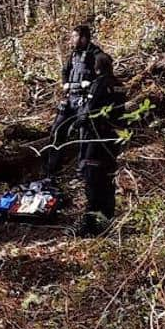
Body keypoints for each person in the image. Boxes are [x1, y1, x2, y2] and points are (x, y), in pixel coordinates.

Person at [72, 52, 124, 237]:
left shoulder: (99, 84)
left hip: (96, 139)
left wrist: (77, 122)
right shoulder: (119, 85)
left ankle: (91, 224)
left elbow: (89, 111)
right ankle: (108, 218)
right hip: (113, 141)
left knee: (93, 179)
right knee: (108, 180)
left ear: (97, 68)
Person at [44, 24, 106, 177]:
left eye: (74, 37)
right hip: (70, 98)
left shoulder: (97, 55)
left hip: (85, 102)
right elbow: (65, 71)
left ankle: (82, 170)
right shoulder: (73, 54)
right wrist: (65, 83)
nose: (72, 40)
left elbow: (103, 78)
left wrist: (91, 89)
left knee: (84, 135)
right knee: (57, 130)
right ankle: (51, 168)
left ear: (83, 38)